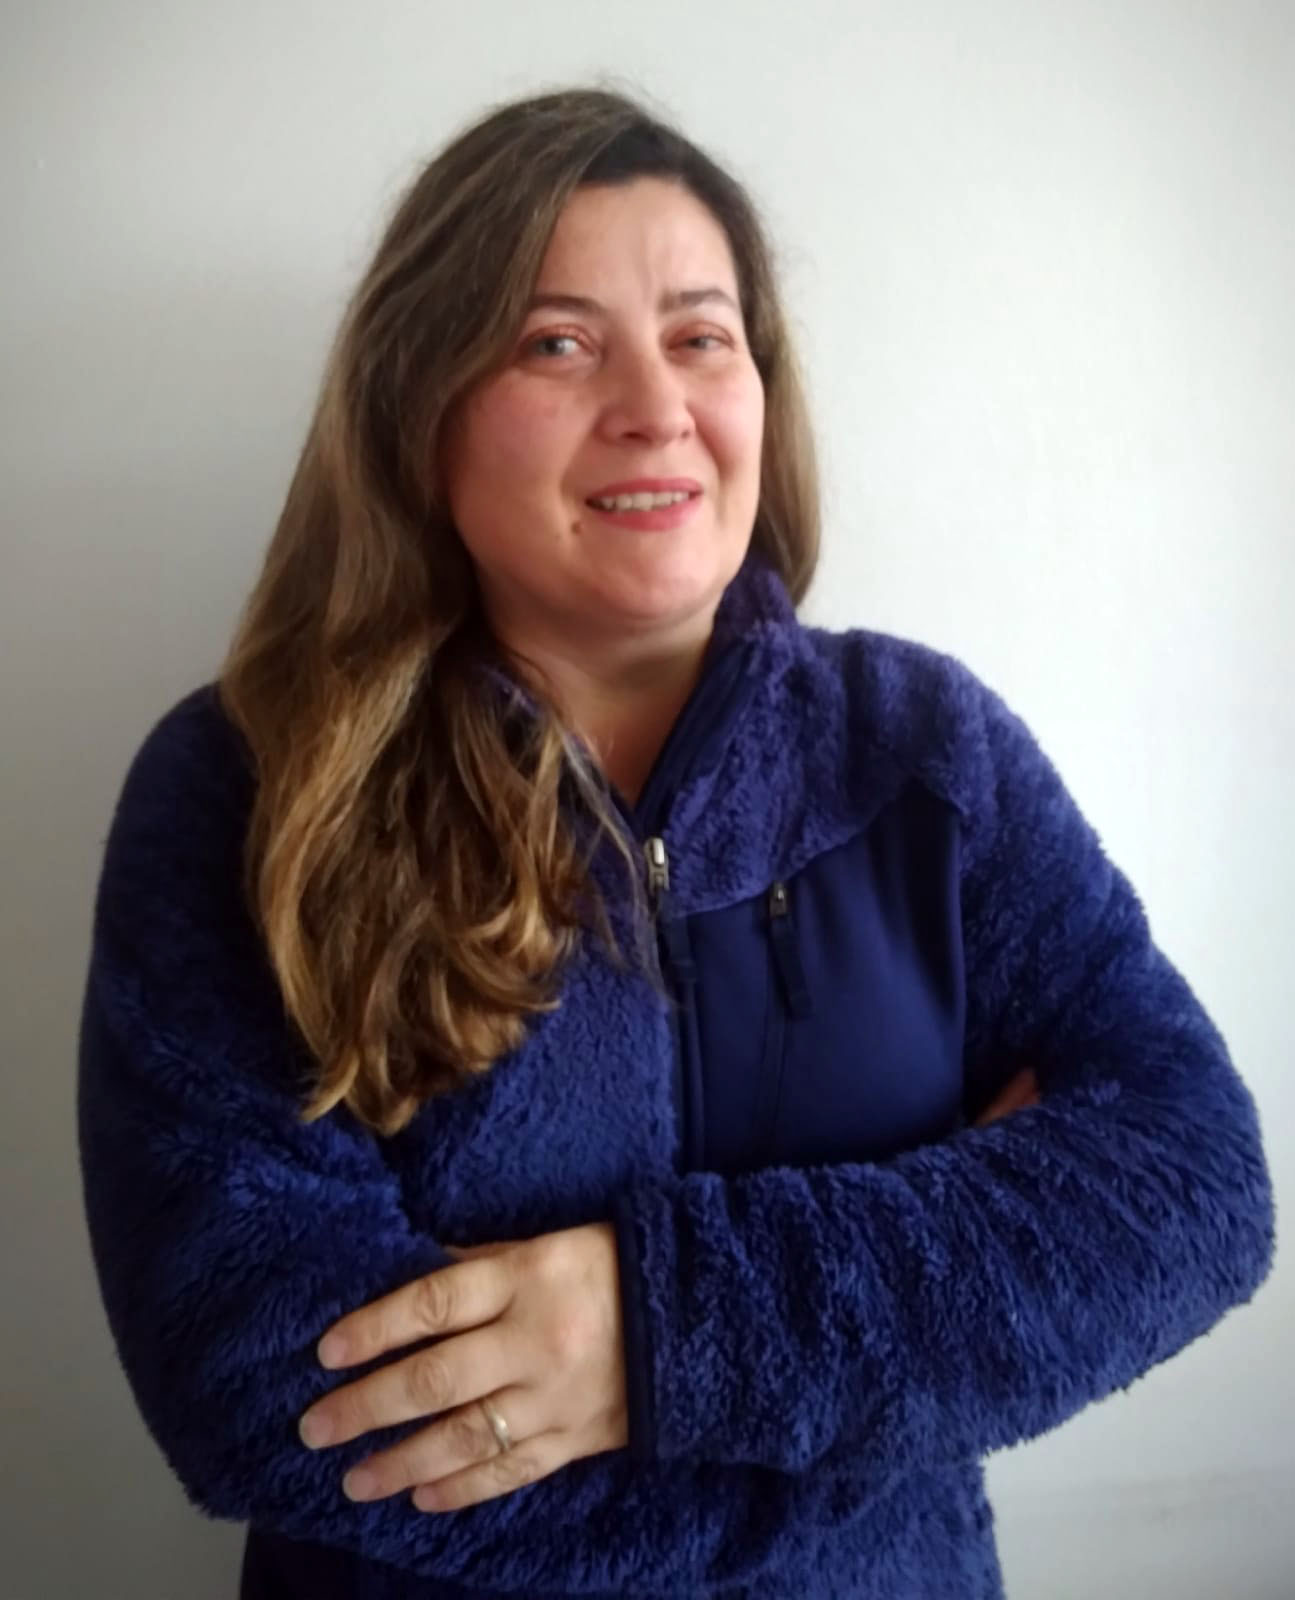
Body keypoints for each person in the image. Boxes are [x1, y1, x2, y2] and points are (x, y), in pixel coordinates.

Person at [76, 85, 1275, 1600]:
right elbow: (264, 1386)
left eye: (703, 337)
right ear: (417, 406)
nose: (655, 406)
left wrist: (648, 1330)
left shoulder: (926, 751)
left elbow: (1191, 1183)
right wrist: (910, 1362)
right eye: (556, 342)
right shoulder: (246, 788)